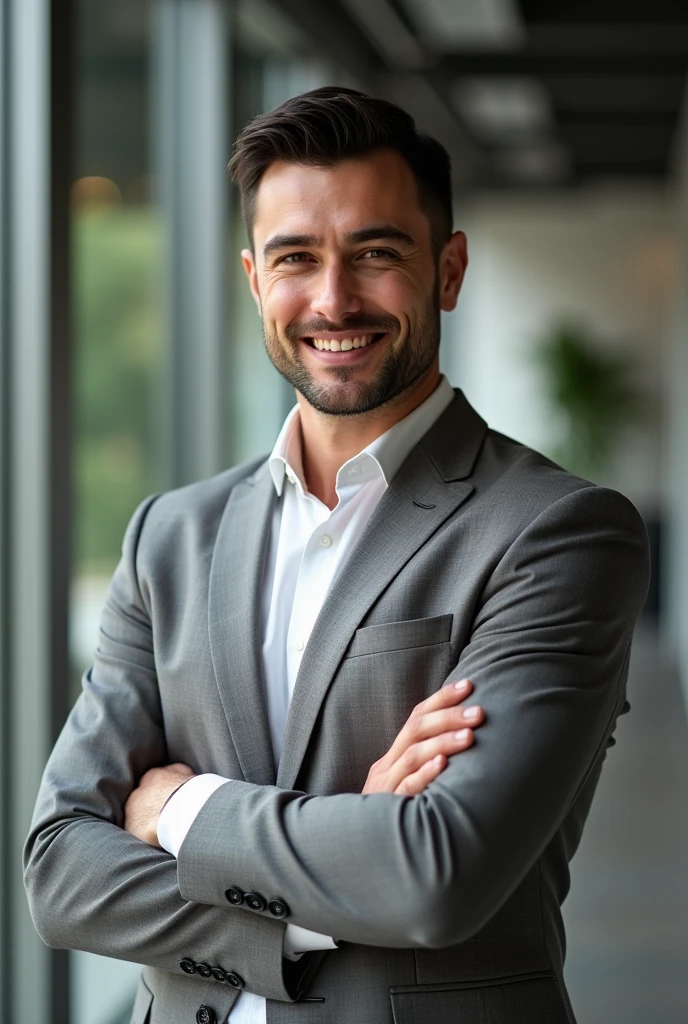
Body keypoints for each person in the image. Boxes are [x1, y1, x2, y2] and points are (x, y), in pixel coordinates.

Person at [24, 87, 650, 1024]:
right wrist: (328, 888)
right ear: (252, 280)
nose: (332, 298)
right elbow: (60, 871)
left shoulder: (557, 531)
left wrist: (182, 810)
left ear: (449, 269)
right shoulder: (170, 536)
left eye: (375, 253)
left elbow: (434, 875)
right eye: (296, 259)